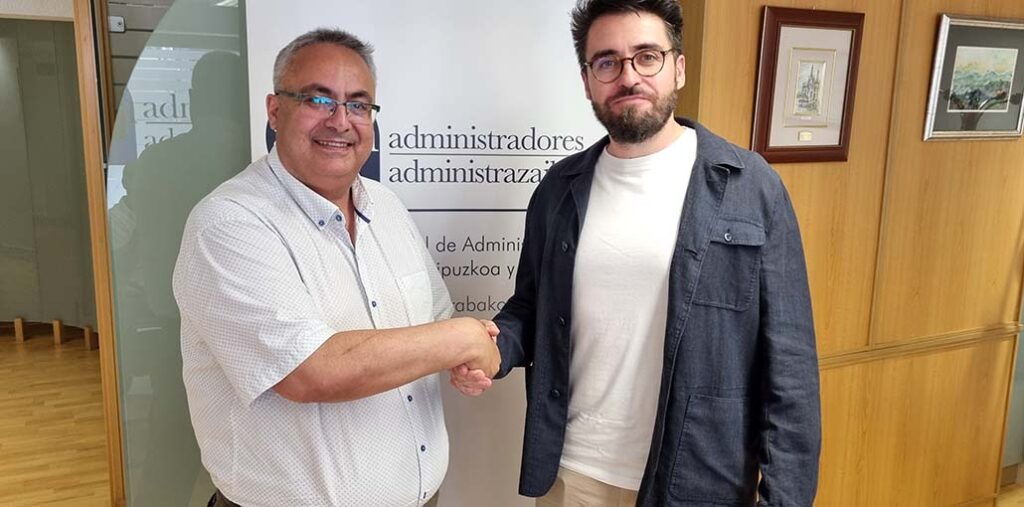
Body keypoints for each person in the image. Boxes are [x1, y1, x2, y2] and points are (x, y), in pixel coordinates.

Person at [450, 1, 821, 505]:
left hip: (699, 482)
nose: (629, 77)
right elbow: (530, 308)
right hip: (572, 474)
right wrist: (494, 350)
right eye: (607, 62)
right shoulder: (559, 188)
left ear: (678, 68)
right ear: (587, 81)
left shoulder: (751, 187)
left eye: (647, 56)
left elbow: (790, 367)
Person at [173, 28, 500, 507]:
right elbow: (310, 371)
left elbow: (435, 318)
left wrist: (463, 355)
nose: (341, 121)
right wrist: (462, 338)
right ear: (274, 110)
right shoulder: (229, 223)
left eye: (358, 105)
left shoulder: (387, 208)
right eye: (318, 100)